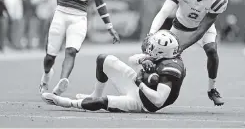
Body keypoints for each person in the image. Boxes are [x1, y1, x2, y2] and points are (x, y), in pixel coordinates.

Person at [39, 0, 120, 96]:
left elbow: (99, 1)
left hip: (79, 17)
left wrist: (109, 26)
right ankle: (47, 75)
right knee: (50, 56)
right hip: (61, 13)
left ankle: (62, 82)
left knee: (71, 51)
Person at [41, 30, 186, 113]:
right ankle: (94, 94)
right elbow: (132, 59)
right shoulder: (163, 54)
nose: (149, 47)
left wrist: (140, 83)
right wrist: (143, 60)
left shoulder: (170, 69)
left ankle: (67, 103)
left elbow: (159, 100)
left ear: (161, 51)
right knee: (104, 59)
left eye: (153, 46)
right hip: (137, 84)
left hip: (143, 103)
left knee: (103, 102)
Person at [147, 0, 228, 106]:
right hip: (179, 27)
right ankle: (149, 81)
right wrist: (151, 33)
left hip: (202, 29)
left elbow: (202, 30)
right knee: (156, 56)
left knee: (212, 51)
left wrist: (180, 47)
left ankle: (212, 89)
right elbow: (164, 11)